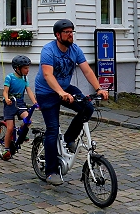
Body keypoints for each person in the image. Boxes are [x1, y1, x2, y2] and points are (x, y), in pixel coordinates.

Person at [35, 19, 108, 186]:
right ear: (57, 35)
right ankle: (51, 171)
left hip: (65, 88)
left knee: (87, 108)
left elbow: (87, 70)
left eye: (71, 32)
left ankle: (69, 138)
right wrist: (60, 92)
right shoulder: (48, 50)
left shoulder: (75, 50)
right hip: (46, 92)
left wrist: (99, 89)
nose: (70, 35)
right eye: (67, 32)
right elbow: (47, 75)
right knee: (52, 129)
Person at [1, 55, 38, 161]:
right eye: (25, 68)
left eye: (28, 68)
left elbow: (29, 91)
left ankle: (21, 132)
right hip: (10, 104)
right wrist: (7, 98)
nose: (28, 70)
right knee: (10, 128)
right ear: (17, 68)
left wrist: (35, 102)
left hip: (20, 103)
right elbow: (5, 91)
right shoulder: (10, 77)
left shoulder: (25, 78)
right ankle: (6, 149)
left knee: (28, 120)